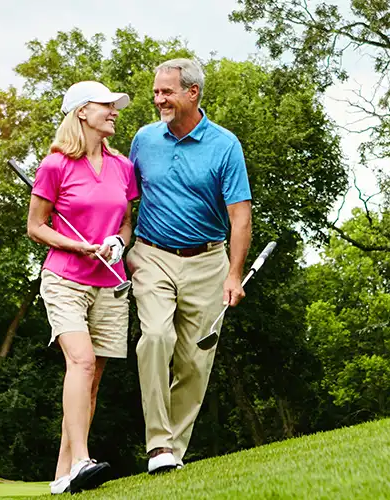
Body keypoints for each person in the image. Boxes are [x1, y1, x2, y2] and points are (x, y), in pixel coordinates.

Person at [126, 58, 252, 473]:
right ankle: (158, 445)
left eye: (167, 92)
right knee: (156, 336)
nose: (158, 99)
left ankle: (172, 454)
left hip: (207, 262)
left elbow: (240, 217)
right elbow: (123, 199)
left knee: (196, 362)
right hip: (152, 254)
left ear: (193, 93)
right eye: (157, 91)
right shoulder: (144, 139)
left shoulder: (224, 145)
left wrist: (234, 274)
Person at [26, 81, 138, 494]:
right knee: (82, 362)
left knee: (90, 382)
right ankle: (81, 461)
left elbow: (125, 221)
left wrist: (118, 242)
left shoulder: (122, 167)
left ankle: (62, 476)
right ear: (81, 113)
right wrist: (76, 245)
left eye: (114, 106)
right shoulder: (55, 165)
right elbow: (36, 227)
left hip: (110, 282)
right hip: (65, 279)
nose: (114, 111)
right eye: (106, 106)